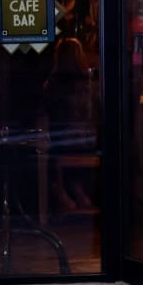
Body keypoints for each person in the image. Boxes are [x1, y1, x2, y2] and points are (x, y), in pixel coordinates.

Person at [43, 37, 97, 212]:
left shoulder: (53, 82)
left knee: (44, 153)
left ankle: (62, 193)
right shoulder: (89, 80)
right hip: (89, 141)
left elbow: (49, 111)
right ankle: (79, 191)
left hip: (64, 142)